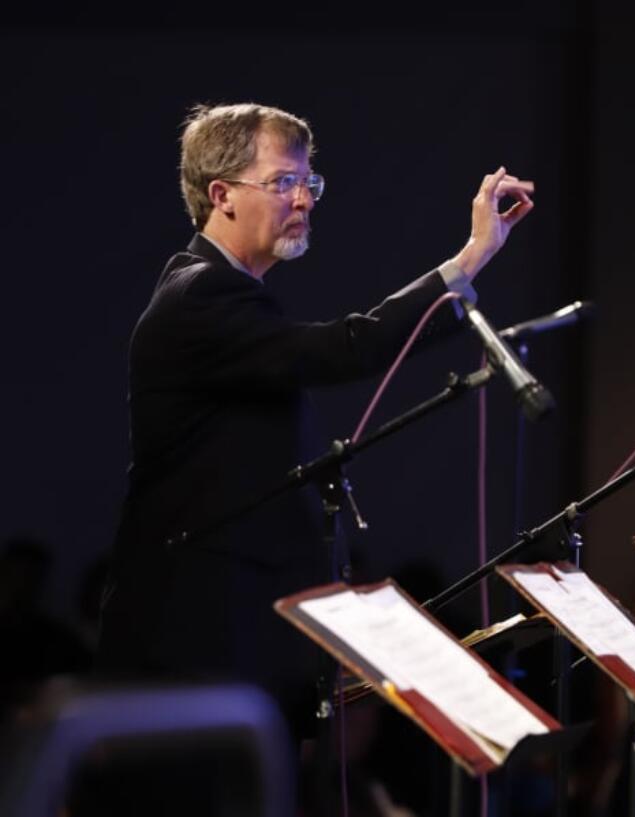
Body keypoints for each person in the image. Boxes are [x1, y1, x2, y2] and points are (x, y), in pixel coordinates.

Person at [96, 103, 535, 738]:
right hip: (195, 649)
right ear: (221, 195)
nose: (303, 199)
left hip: (231, 644)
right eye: (283, 183)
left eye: (310, 183)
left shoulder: (223, 295)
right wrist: (469, 258)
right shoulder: (200, 295)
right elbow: (346, 348)